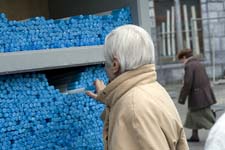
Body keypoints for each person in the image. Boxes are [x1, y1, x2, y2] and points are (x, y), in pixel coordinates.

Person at [86, 24, 189, 150]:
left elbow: (134, 116)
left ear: (115, 64)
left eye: (105, 64)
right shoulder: (153, 88)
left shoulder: (133, 110)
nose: (105, 70)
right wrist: (107, 96)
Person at [177, 49, 217, 142]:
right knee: (192, 116)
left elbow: (188, 83)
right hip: (204, 95)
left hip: (198, 97)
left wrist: (182, 98)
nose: (182, 63)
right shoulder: (198, 63)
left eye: (181, 60)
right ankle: (195, 136)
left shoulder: (189, 65)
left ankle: (219, 133)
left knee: (206, 118)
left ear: (184, 57)